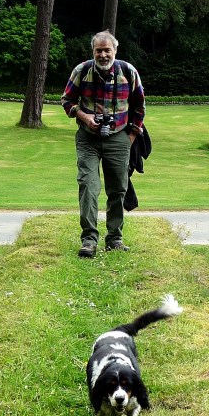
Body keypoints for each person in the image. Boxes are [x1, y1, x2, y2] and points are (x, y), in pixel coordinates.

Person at [61, 31, 146, 258]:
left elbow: (139, 106)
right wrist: (84, 116)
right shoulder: (82, 71)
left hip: (119, 136)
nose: (103, 55)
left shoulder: (128, 71)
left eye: (107, 50)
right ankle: (89, 240)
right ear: (93, 51)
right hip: (88, 137)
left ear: (115, 51)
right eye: (98, 50)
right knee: (88, 186)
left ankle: (114, 238)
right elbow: (67, 100)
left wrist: (131, 137)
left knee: (118, 188)